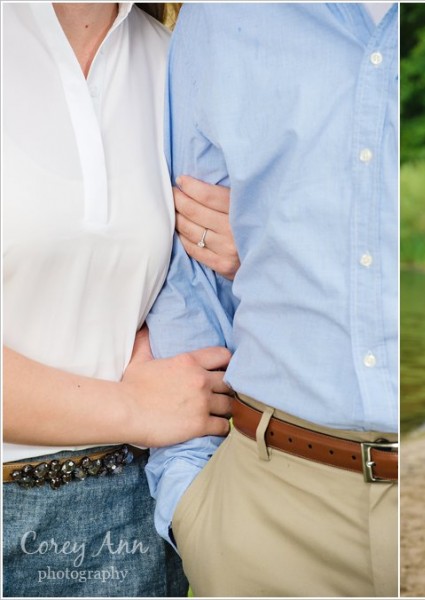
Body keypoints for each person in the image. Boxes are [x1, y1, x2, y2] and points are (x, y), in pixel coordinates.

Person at [143, 3, 398, 596]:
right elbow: (187, 269)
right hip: (266, 513)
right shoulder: (219, 16)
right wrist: (190, 496)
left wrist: (273, 241)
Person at [2, 3, 239, 596]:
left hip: (128, 521)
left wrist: (254, 246)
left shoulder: (177, 64)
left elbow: (196, 289)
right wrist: (130, 408)